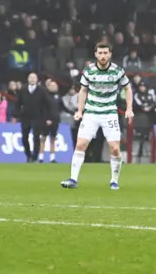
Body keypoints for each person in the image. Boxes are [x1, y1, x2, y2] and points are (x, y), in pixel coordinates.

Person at [61, 42, 134, 190]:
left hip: (109, 114)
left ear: (110, 54)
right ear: (95, 54)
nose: (103, 56)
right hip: (91, 113)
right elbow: (83, 91)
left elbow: (127, 88)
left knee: (114, 149)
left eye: (105, 53)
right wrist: (80, 111)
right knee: (81, 144)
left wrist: (129, 109)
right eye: (100, 53)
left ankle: (114, 181)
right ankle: (73, 179)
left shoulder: (117, 71)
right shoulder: (89, 71)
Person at [15, 73, 49, 163]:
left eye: (34, 77)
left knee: (36, 137)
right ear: (27, 79)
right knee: (24, 137)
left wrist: (46, 117)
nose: (32, 79)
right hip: (25, 117)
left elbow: (46, 104)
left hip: (37, 117)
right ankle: (28, 155)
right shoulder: (23, 89)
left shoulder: (42, 90)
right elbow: (18, 103)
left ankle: (34, 156)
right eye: (30, 77)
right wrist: (17, 114)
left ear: (37, 79)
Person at [39, 80, 62, 163]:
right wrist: (46, 119)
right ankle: (41, 157)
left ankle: (52, 158)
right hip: (46, 120)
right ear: (48, 87)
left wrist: (74, 112)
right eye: (51, 86)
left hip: (56, 120)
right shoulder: (45, 96)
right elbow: (43, 109)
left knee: (53, 138)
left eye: (54, 85)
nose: (53, 87)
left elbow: (62, 106)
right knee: (43, 138)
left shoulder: (58, 96)